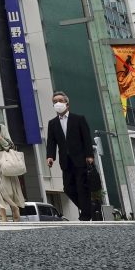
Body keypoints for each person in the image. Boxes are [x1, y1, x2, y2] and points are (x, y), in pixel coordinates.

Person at [45, 91, 95, 221]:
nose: (57, 103)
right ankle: (89, 208)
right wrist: (50, 156)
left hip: (80, 159)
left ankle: (85, 215)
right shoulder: (53, 123)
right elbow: (51, 141)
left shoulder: (79, 119)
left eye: (60, 100)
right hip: (65, 161)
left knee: (81, 187)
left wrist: (89, 155)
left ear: (67, 103)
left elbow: (86, 138)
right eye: (55, 101)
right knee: (68, 188)